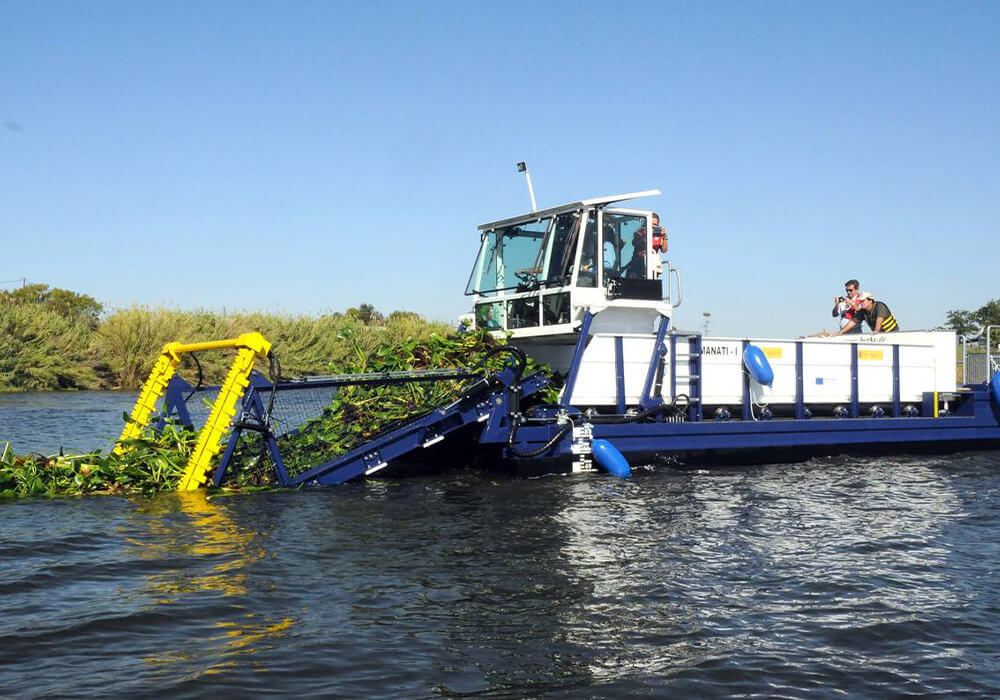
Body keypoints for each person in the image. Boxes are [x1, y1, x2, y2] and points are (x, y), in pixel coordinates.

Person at [835, 292, 899, 334]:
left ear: (870, 300)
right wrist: (840, 333)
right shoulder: (862, 311)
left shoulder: (879, 306)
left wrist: (876, 331)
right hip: (881, 334)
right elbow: (853, 322)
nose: (861, 303)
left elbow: (879, 322)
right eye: (860, 301)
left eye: (863, 301)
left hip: (892, 333)